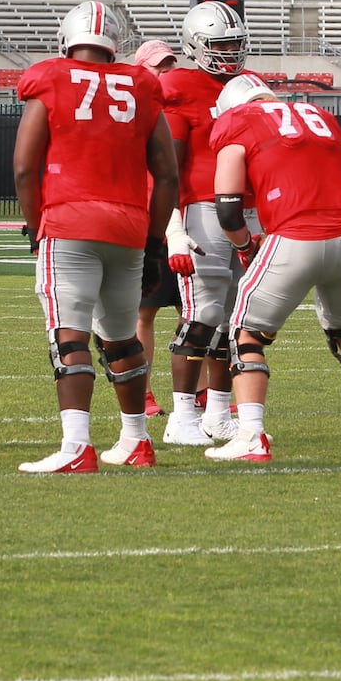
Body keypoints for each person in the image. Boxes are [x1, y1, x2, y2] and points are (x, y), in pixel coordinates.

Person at [14, 2, 178, 473]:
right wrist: (151, 242)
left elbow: (26, 165)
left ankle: (77, 446)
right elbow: (166, 175)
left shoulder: (49, 77)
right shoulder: (142, 85)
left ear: (66, 40)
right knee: (121, 336)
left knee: (70, 335)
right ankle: (135, 440)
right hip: (127, 224)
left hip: (69, 220)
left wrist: (33, 222)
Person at [203, 72, 341, 462]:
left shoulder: (236, 122)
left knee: (247, 335)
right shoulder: (318, 115)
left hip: (295, 235)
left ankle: (251, 434)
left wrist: (246, 246)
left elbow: (226, 210)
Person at [159, 0, 257, 446]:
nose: (229, 54)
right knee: (203, 314)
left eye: (235, 45)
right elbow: (167, 165)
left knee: (236, 319)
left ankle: (219, 411)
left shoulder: (248, 85)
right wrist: (173, 226)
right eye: (220, 45)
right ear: (195, 45)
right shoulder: (177, 86)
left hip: (248, 213)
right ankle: (182, 415)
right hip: (201, 209)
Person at [133, 38, 181, 418]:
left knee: (197, 311)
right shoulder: (132, 108)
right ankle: (143, 392)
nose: (165, 73)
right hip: (151, 225)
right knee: (144, 312)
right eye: (158, 67)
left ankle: (196, 390)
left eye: (168, 66)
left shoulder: (181, 107)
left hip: (189, 222)